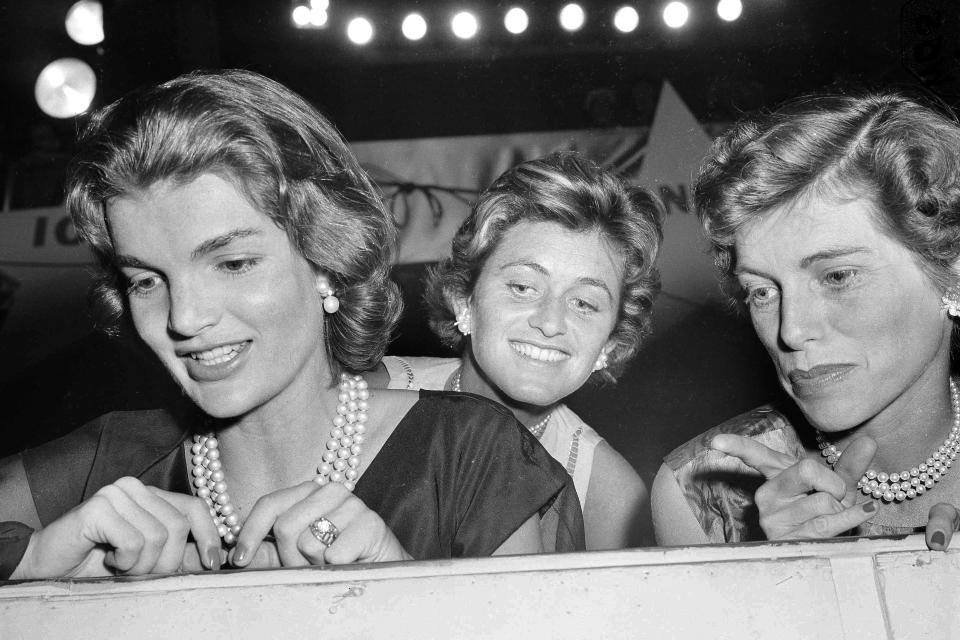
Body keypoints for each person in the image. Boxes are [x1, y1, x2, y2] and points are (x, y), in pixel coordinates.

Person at [0, 69, 584, 581]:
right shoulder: (112, 461)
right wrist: (30, 562)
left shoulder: (465, 455)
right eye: (145, 281)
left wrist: (401, 583)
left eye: (232, 263)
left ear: (325, 260)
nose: (184, 318)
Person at [651, 91, 960, 550]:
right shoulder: (701, 489)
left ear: (950, 270)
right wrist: (791, 578)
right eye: (762, 291)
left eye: (837, 276)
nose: (791, 331)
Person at [370, 152, 664, 549]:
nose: (550, 322)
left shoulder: (611, 498)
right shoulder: (362, 396)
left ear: (609, 345)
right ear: (464, 301)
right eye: (523, 287)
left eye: (584, 303)